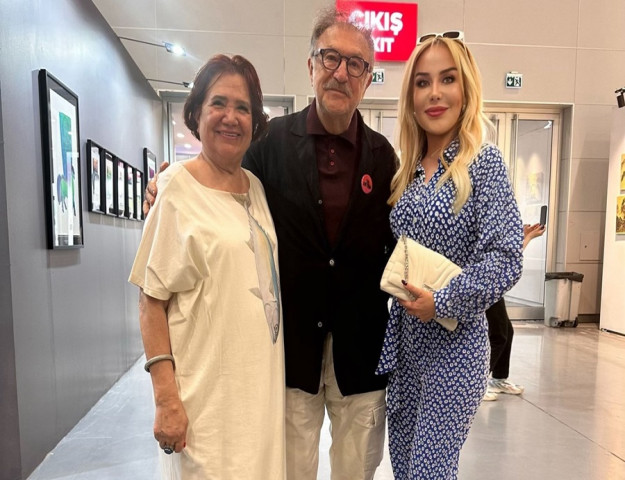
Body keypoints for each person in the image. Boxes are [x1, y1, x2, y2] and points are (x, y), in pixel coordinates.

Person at [145, 9, 397, 479]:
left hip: (360, 354)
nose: (341, 73)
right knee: (291, 470)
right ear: (311, 65)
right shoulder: (270, 144)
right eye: (330, 57)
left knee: (356, 471)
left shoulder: (384, 158)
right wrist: (171, 181)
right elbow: (218, 178)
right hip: (291, 355)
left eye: (355, 64)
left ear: (368, 78)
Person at [129, 54, 286, 479]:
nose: (231, 117)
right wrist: (166, 400)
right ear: (196, 113)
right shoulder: (175, 189)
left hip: (258, 403)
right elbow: (150, 301)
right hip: (206, 409)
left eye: (243, 108)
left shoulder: (255, 188)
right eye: (219, 103)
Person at [375, 33, 524, 479]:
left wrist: (441, 302)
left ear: (466, 89)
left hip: (455, 350)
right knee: (405, 469)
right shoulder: (405, 171)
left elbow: (506, 256)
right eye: (422, 82)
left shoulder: (484, 164)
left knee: (429, 472)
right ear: (411, 97)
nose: (435, 93)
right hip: (406, 347)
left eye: (447, 79)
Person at [484, 222, 546, 401]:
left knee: (507, 331)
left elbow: (507, 255)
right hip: (486, 286)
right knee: (498, 335)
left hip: (493, 286)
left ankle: (498, 379)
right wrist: (528, 237)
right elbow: (507, 259)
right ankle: (477, 384)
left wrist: (525, 237)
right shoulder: (488, 227)